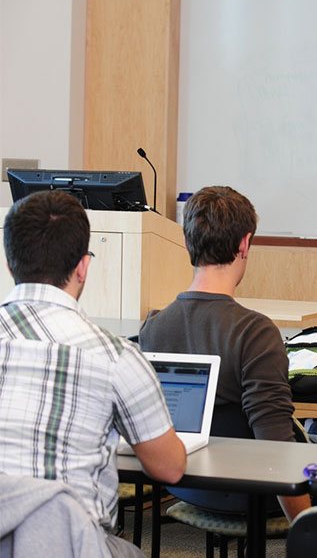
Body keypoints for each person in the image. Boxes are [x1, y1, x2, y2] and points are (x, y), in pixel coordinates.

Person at [0, 190, 185, 558]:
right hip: (66, 544)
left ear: (10, 264)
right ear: (83, 267)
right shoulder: (115, 356)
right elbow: (170, 469)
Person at [138, 185, 310, 521]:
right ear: (245, 244)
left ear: (187, 243)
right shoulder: (256, 333)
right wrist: (311, 530)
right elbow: (275, 447)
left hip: (184, 484)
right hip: (255, 493)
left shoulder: (153, 329)